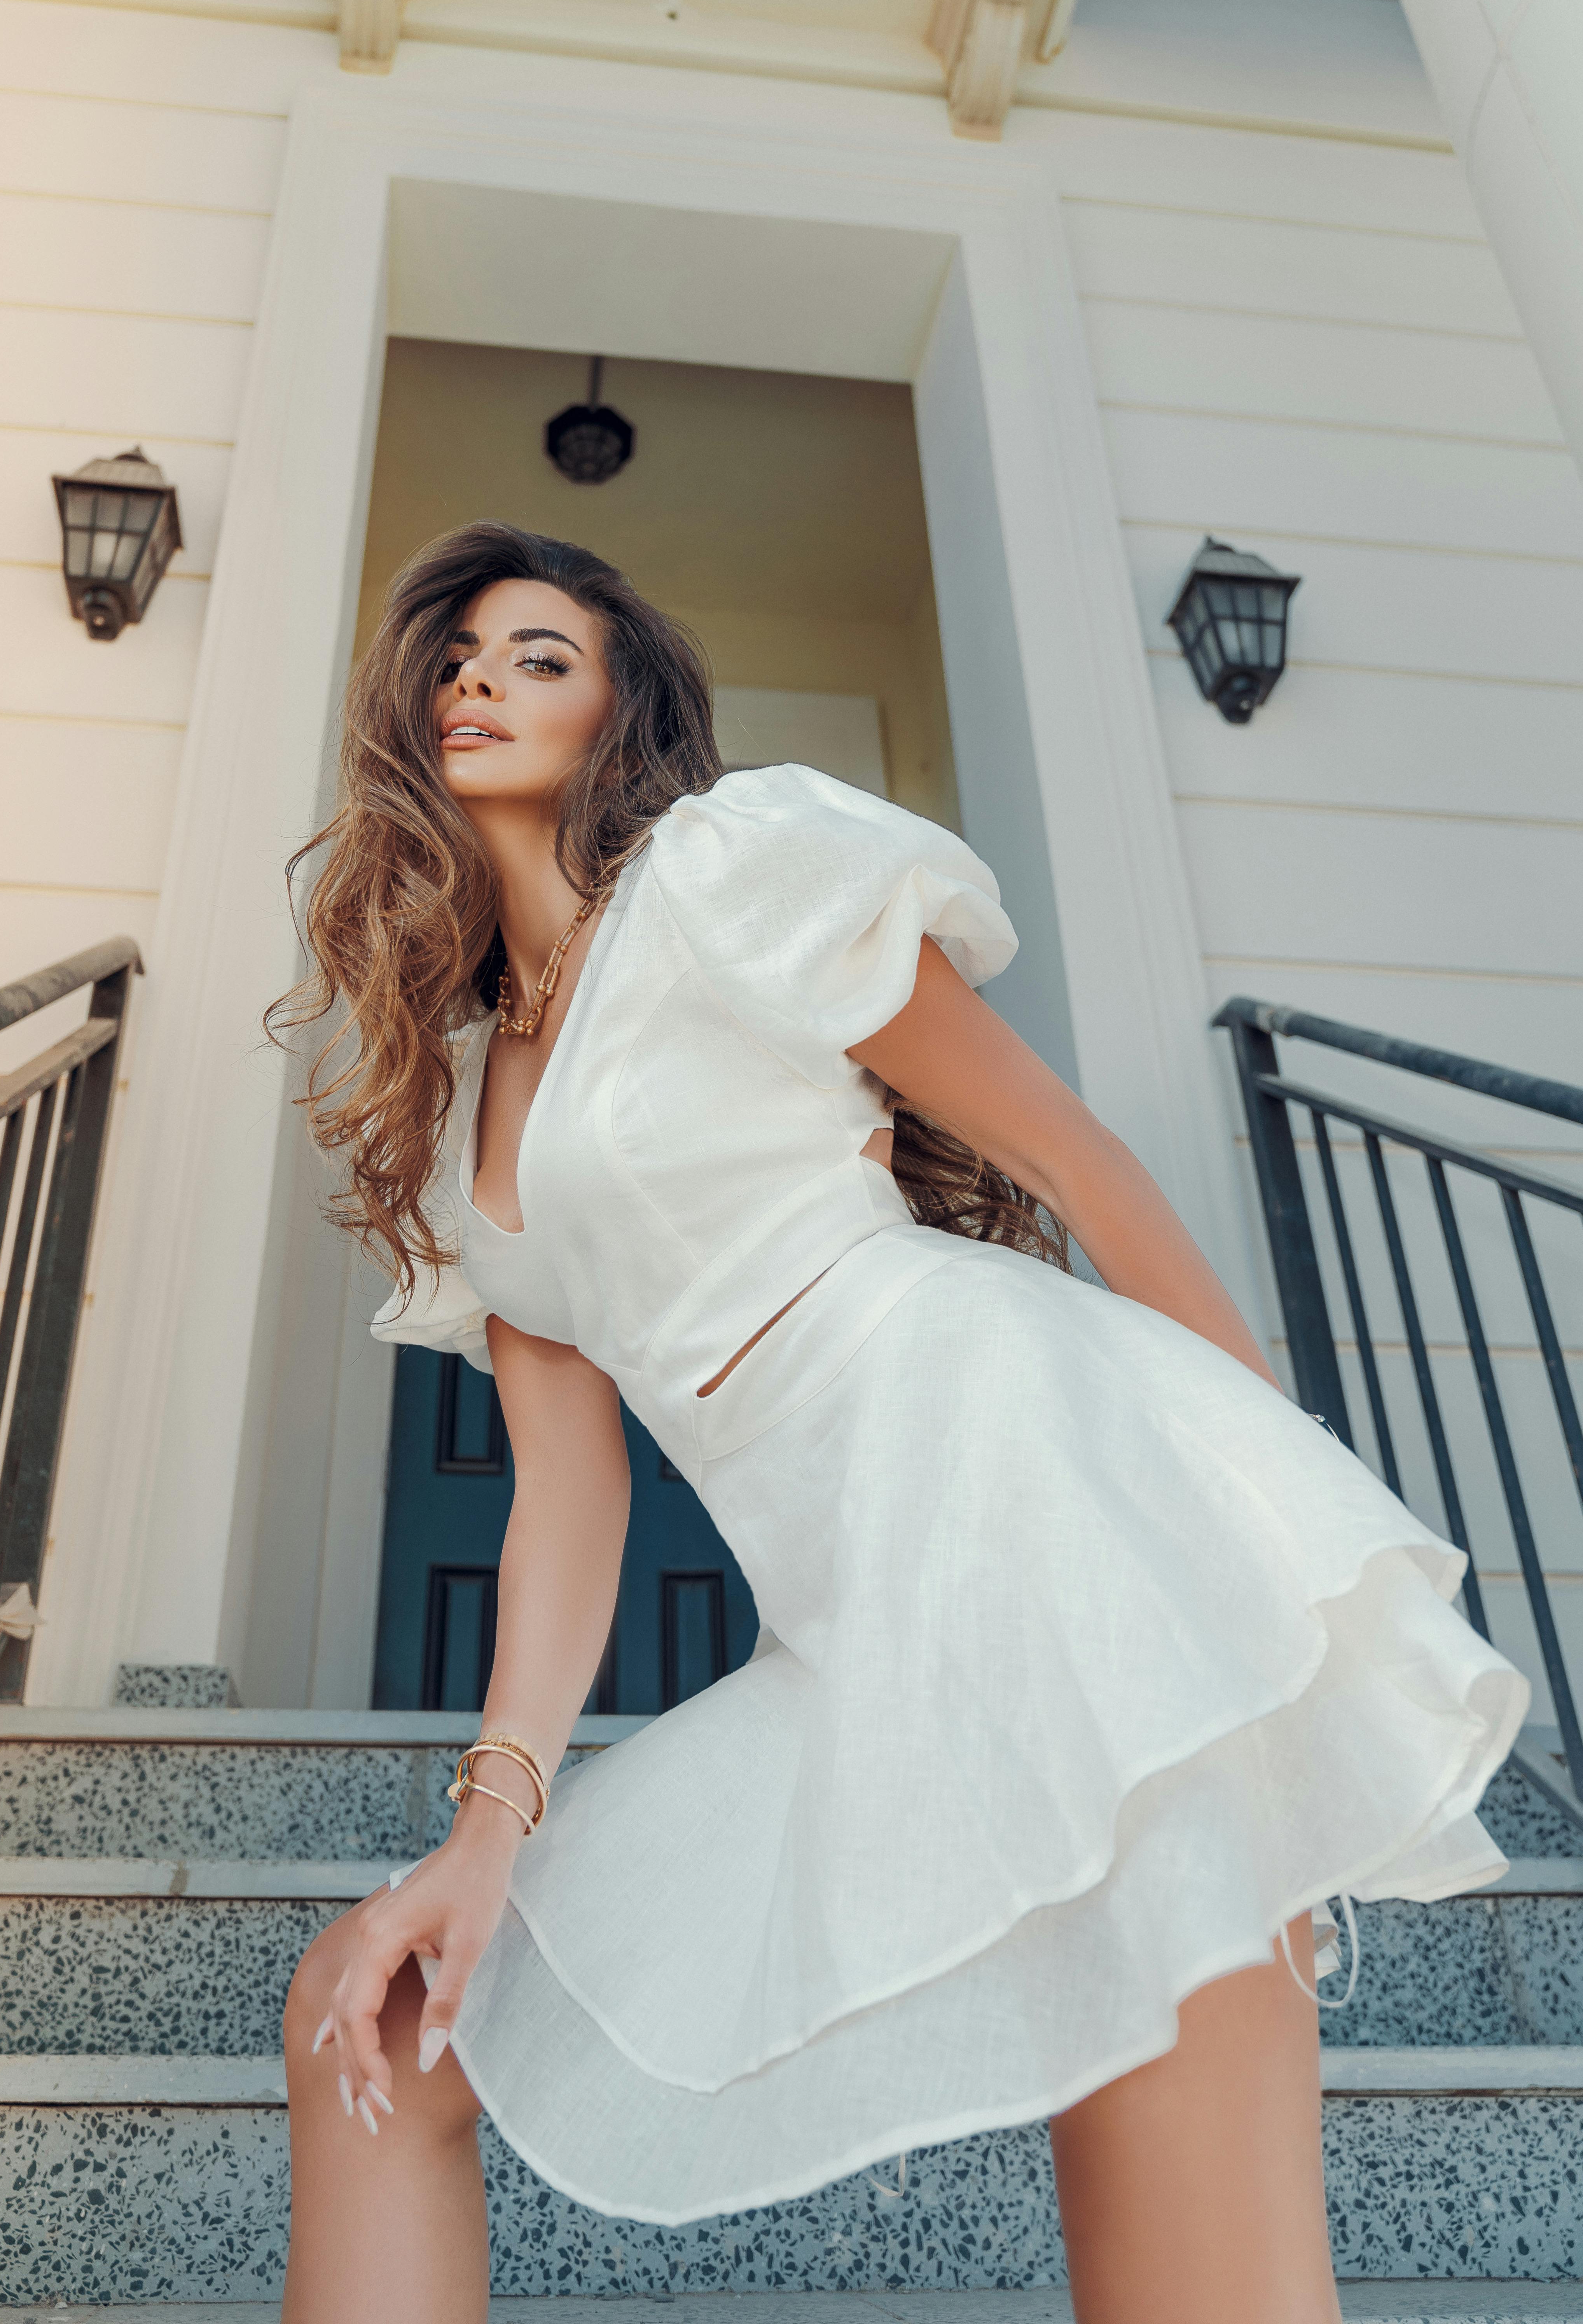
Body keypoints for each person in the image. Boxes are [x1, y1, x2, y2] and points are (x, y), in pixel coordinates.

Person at [273, 522, 1524, 2324]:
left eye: (542, 654)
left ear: (627, 709)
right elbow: (568, 1493)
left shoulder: (733, 870)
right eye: (461, 654)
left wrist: (1271, 1557)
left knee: (1198, 2276)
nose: (481, 677)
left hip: (1043, 1504)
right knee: (363, 2018)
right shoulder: (470, 1120)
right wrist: (487, 1826)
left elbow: (1068, 1160)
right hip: (843, 1630)